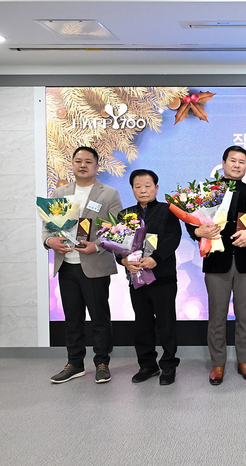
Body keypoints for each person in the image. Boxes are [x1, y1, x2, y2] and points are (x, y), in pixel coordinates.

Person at [42, 147, 123, 384]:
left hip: (95, 265)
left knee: (99, 318)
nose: (82, 165)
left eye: (88, 161)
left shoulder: (109, 194)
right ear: (73, 164)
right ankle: (75, 363)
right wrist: (49, 241)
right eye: (78, 161)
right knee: (72, 318)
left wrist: (96, 246)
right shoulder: (60, 192)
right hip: (67, 265)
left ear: (97, 166)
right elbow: (48, 227)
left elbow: (116, 231)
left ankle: (102, 363)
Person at [188, 146, 246, 386]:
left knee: (245, 316)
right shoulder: (207, 191)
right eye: (233, 160)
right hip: (216, 262)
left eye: (242, 162)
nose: (237, 165)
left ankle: (244, 361)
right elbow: (192, 221)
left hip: (245, 264)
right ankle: (218, 364)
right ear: (223, 163)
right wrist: (197, 231)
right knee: (217, 317)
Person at [119, 169, 182, 385]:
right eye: (138, 186)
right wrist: (123, 261)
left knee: (166, 323)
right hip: (136, 278)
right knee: (142, 323)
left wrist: (156, 258)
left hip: (162, 277)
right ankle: (147, 365)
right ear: (132, 189)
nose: (143, 190)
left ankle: (168, 365)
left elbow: (173, 238)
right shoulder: (125, 215)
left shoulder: (168, 210)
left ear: (156, 188)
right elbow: (116, 243)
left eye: (148, 185)